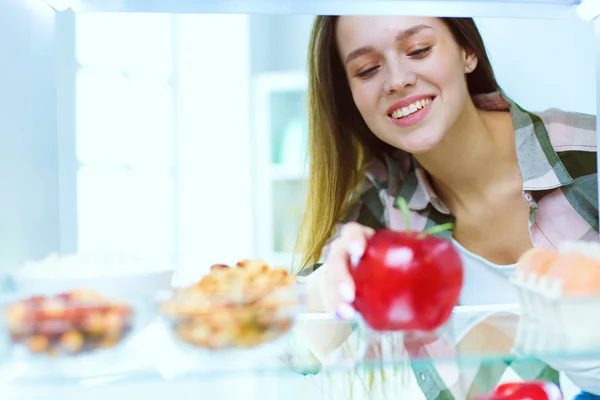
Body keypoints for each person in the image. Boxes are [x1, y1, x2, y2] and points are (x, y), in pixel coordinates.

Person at [296, 15, 599, 399]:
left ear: (467, 52)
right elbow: (290, 347)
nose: (396, 80)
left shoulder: (587, 153)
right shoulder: (384, 207)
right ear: (351, 96)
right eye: (367, 69)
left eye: (419, 50)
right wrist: (323, 301)